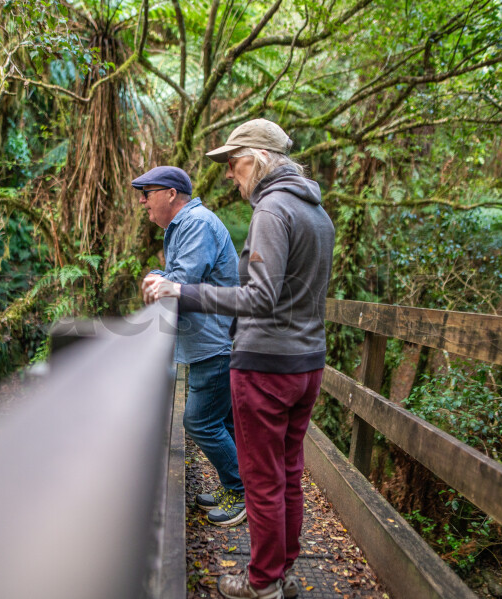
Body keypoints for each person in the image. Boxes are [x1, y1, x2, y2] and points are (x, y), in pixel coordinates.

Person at [144, 120, 335, 599]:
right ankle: (284, 574)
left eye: (235, 161)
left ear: (261, 158)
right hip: (307, 363)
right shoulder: (317, 212)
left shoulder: (272, 209)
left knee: (263, 479)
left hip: (267, 364)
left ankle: (263, 582)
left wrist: (180, 289)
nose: (229, 173)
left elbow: (260, 297)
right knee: (288, 473)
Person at [131, 165, 247, 527]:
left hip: (214, 342)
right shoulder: (183, 226)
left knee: (199, 421)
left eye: (147, 192)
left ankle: (241, 492)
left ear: (170, 194)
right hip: (210, 339)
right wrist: (159, 276)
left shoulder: (195, 223)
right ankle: (240, 486)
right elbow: (176, 279)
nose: (142, 201)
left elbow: (181, 283)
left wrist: (155, 277)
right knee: (222, 421)